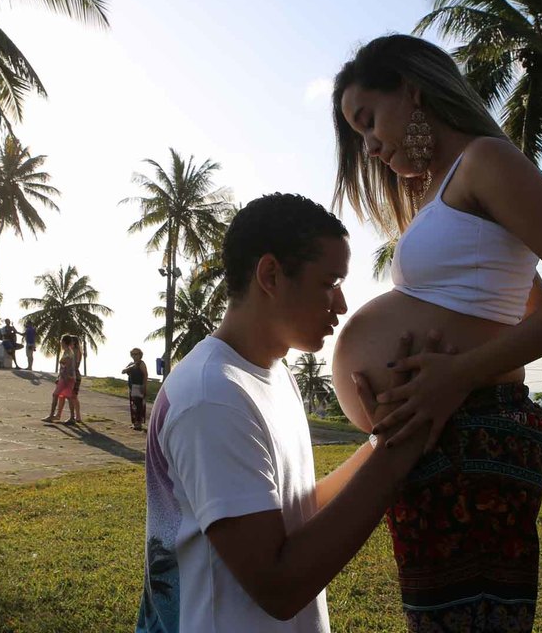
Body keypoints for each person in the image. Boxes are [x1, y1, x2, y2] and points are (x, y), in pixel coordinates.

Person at [329, 34, 542, 632]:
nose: (368, 146)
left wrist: (461, 372)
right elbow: (529, 299)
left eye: (368, 121)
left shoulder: (485, 161)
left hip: (473, 432)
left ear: (412, 91)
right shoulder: (451, 185)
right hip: (445, 434)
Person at [136, 193, 440, 633]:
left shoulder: (275, 376)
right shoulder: (212, 395)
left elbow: (295, 511)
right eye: (329, 281)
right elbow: (278, 586)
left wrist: (384, 439)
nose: (340, 304)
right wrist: (396, 457)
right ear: (271, 275)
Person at [43, 334, 80, 424]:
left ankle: (52, 415)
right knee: (67, 396)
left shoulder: (68, 352)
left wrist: (63, 377)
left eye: (61, 342)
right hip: (66, 377)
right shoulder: (68, 352)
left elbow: (66, 365)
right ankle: (70, 417)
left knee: (57, 395)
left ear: (64, 342)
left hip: (66, 377)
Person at [122, 348, 149, 430]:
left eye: (136, 354)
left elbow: (145, 375)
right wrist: (131, 367)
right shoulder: (131, 364)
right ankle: (135, 423)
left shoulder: (141, 364)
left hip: (139, 386)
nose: (134, 356)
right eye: (133, 354)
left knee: (138, 405)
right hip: (132, 386)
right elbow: (123, 371)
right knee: (133, 405)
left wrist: (144, 386)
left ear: (140, 355)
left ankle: (139, 423)